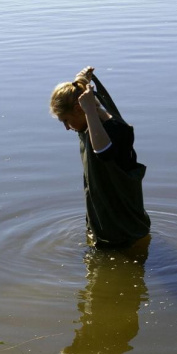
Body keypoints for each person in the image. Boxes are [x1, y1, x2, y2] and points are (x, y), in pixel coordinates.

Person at [49, 66, 151, 249]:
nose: (66, 127)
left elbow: (104, 152)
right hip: (115, 228)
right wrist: (81, 84)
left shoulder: (111, 133)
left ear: (78, 109)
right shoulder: (95, 125)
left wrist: (89, 109)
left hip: (121, 233)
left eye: (65, 119)